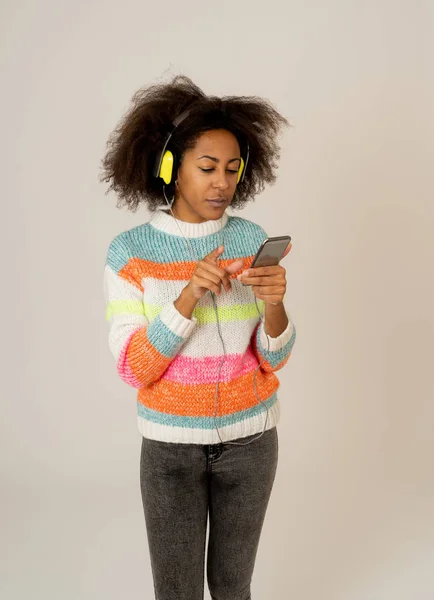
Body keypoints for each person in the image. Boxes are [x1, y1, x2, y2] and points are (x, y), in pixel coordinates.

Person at [101, 75, 297, 600]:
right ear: (170, 167)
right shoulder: (130, 253)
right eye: (207, 168)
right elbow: (133, 368)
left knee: (233, 587)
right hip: (170, 451)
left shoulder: (249, 239)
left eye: (233, 170)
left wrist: (275, 303)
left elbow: (272, 357)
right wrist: (186, 298)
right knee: (177, 591)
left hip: (252, 444)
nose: (222, 183)